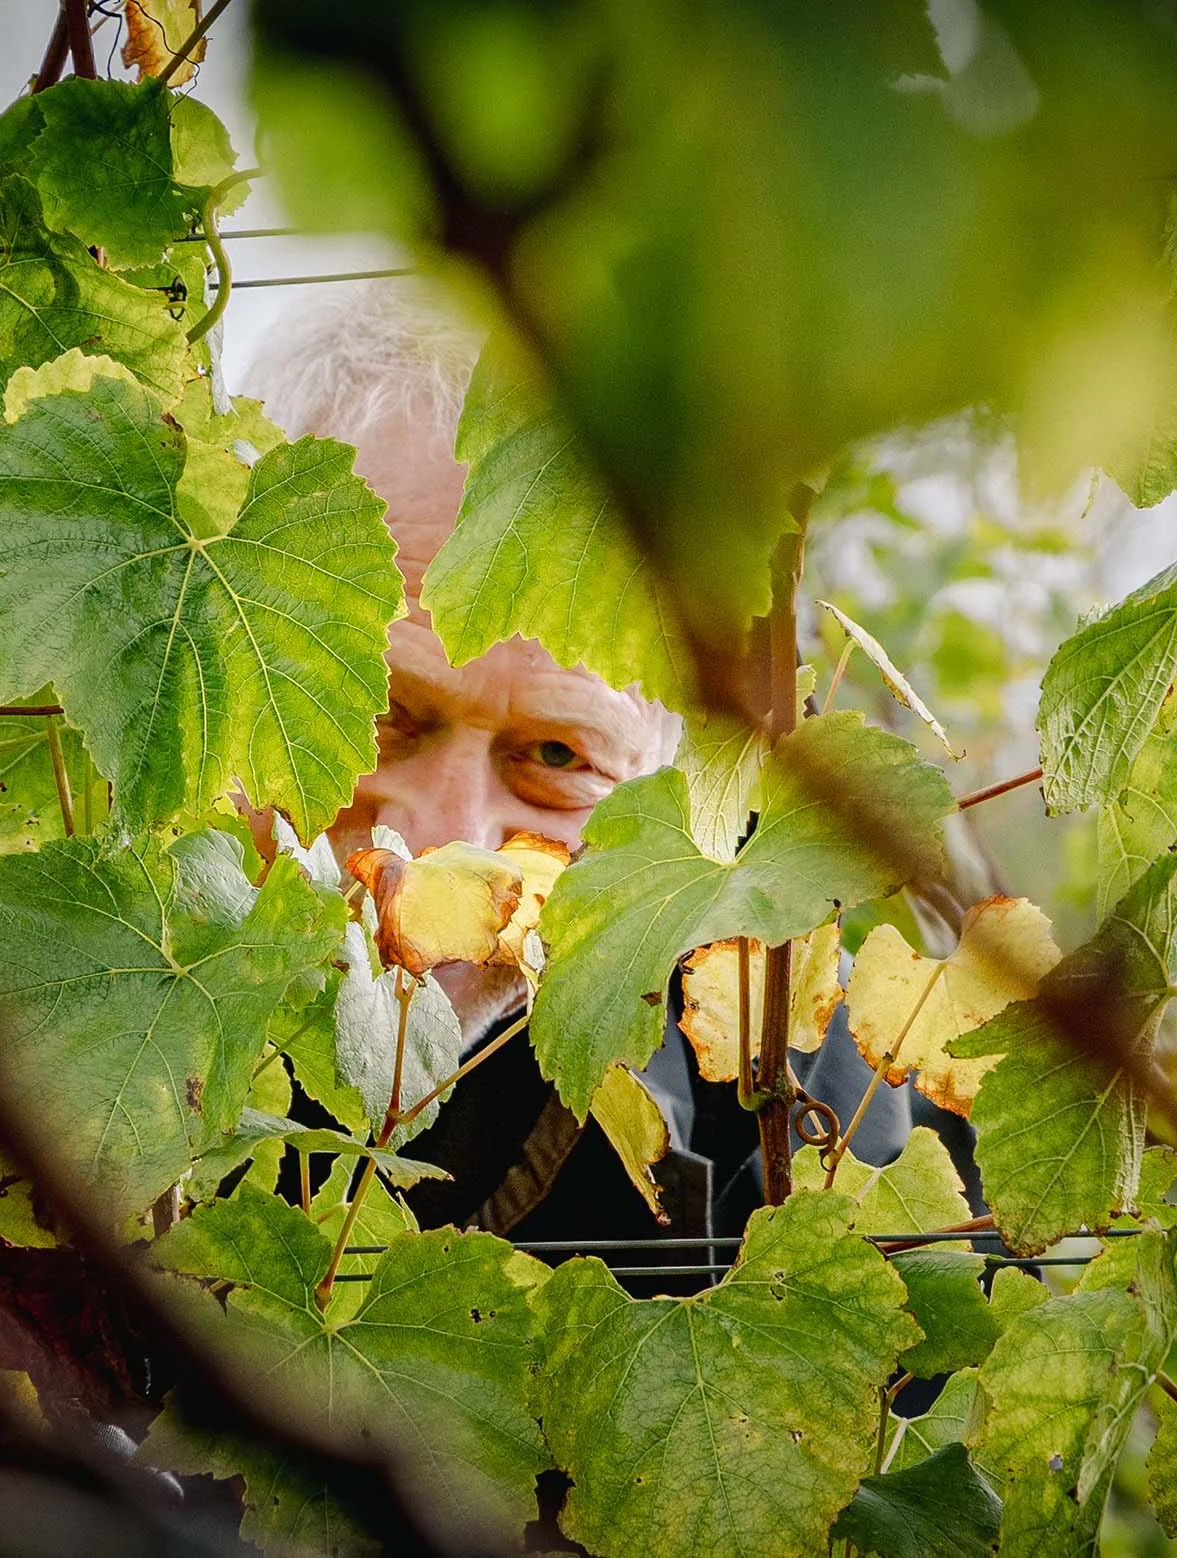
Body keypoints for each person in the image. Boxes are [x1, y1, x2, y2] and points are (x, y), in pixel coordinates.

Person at [245, 287, 978, 1257]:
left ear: (673, 780)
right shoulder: (13, 918)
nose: (443, 838)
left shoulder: (818, 1101)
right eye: (380, 712)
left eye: (556, 755)